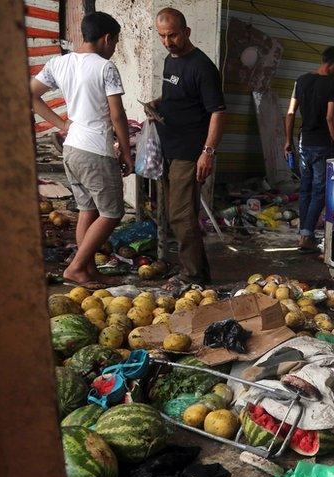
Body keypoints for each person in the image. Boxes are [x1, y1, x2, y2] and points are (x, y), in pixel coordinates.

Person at [31, 12, 131, 289]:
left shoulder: (58, 63)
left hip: (72, 148)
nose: (114, 49)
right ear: (107, 38)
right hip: (95, 150)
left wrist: (61, 123)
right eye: (116, 42)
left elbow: (30, 94)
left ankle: (88, 271)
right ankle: (75, 268)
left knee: (88, 209)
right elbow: (118, 116)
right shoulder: (105, 68)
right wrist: (126, 152)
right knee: (112, 213)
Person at [148, 8, 226, 288]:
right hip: (168, 147)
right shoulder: (171, 60)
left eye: (173, 35)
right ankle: (198, 273)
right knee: (180, 215)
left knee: (180, 216)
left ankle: (190, 277)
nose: (168, 42)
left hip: (190, 151)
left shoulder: (202, 67)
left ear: (187, 32)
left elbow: (217, 112)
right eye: (162, 36)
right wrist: (159, 103)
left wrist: (208, 152)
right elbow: (178, 95)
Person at [284, 46, 334, 253]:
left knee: (305, 188)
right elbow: (330, 117)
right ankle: (306, 236)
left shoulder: (300, 81)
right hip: (322, 144)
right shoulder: (333, 85)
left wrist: (288, 141)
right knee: (320, 189)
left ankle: (303, 231)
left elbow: (291, 113)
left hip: (304, 142)